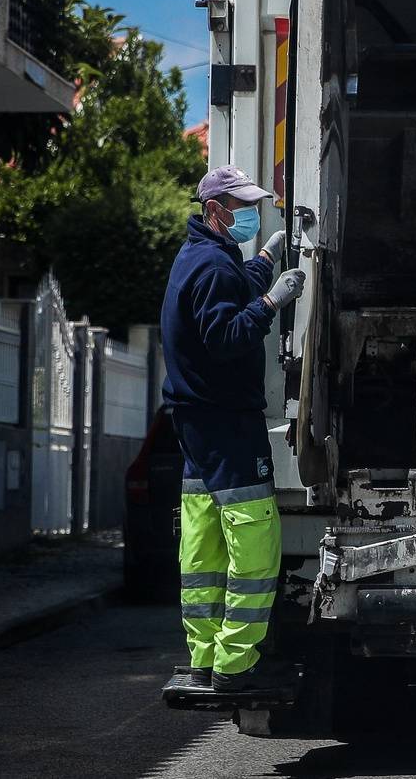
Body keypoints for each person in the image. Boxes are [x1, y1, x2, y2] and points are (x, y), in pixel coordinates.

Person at [160, 165, 306, 702]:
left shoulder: (197, 257)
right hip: (226, 422)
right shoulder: (214, 268)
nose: (251, 213)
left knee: (202, 540)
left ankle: (204, 660)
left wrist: (265, 262)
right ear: (216, 209)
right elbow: (224, 335)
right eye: (244, 206)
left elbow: (228, 290)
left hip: (198, 422)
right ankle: (237, 665)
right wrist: (272, 303)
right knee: (253, 541)